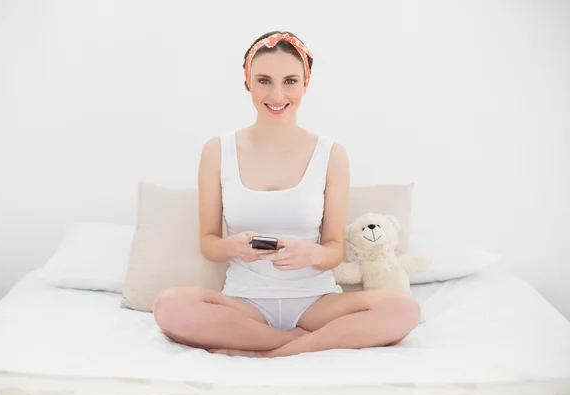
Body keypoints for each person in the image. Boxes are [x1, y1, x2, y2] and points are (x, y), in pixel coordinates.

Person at [152, 31, 420, 358]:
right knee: (169, 306)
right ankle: (294, 344)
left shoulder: (331, 154)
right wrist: (232, 246)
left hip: (315, 302)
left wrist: (311, 255)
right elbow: (208, 243)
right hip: (244, 302)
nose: (277, 94)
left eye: (290, 81)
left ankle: (270, 349)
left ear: (305, 84)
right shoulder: (217, 150)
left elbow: (334, 248)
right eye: (264, 80)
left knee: (403, 308)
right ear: (248, 82)